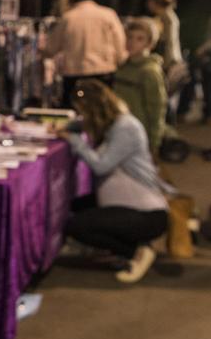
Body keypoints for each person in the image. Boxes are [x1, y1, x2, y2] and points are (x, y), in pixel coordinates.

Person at [61, 79, 170, 284]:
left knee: (76, 226)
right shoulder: (115, 124)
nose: (84, 118)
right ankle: (126, 246)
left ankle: (133, 251)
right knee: (72, 206)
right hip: (127, 205)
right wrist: (71, 126)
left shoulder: (125, 127)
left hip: (145, 213)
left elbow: (101, 165)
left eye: (84, 112)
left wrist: (74, 141)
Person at [44, 0, 127, 106]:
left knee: (75, 109)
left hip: (74, 75)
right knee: (102, 108)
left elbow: (51, 48)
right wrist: (120, 60)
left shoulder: (67, 18)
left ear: (70, 0)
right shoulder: (108, 14)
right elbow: (120, 43)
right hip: (103, 72)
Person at [113, 17, 167, 158]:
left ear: (150, 43)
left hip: (139, 136)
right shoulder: (122, 67)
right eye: (130, 37)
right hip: (119, 132)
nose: (132, 42)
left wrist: (154, 143)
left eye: (140, 39)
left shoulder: (149, 71)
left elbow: (157, 110)